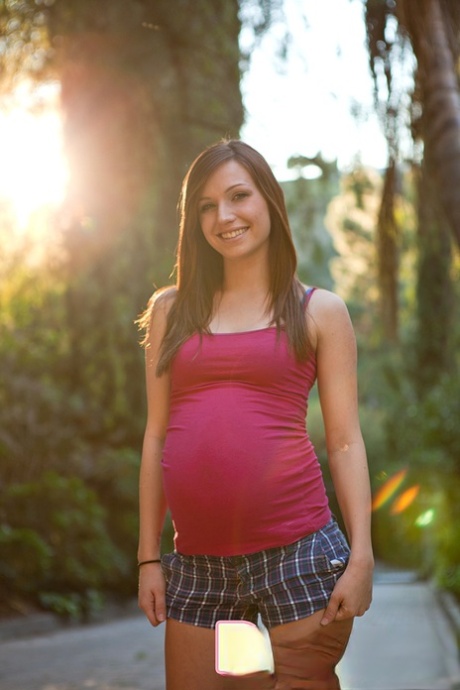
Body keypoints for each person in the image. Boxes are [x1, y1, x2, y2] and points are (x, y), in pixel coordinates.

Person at [137, 139, 374, 690]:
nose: (224, 216)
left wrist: (361, 559)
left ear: (269, 201)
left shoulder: (320, 311)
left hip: (299, 556)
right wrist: (149, 558)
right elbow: (155, 437)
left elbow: (344, 441)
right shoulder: (170, 311)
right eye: (206, 205)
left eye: (239, 196)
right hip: (198, 566)